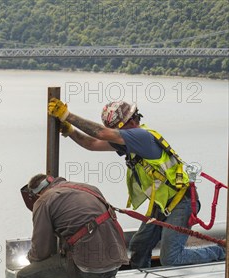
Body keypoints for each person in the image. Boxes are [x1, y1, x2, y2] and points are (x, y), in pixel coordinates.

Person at [48, 98, 225, 268]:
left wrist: (67, 116)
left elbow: (101, 133)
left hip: (181, 203)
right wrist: (70, 131)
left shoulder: (141, 136)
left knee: (171, 257)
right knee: (139, 247)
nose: (115, 134)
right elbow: (93, 143)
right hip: (163, 205)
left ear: (129, 123)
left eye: (116, 130)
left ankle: (220, 252)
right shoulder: (130, 142)